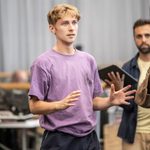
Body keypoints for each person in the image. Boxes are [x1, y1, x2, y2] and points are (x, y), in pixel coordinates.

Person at [28, 3, 136, 150]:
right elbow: (34, 106)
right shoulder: (43, 63)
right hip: (59, 139)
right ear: (52, 28)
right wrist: (58, 105)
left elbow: (93, 102)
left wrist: (110, 101)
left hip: (89, 138)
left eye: (74, 22)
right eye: (65, 23)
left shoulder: (88, 60)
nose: (71, 28)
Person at [106, 19, 150, 150]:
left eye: (147, 35)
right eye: (139, 36)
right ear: (134, 38)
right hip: (132, 134)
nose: (143, 40)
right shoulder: (127, 68)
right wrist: (121, 94)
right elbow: (129, 107)